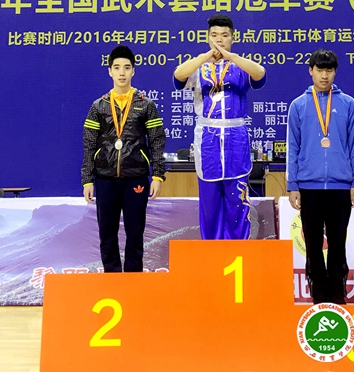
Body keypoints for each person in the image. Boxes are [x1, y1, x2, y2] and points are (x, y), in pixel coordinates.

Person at [173, 14, 266, 239]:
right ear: (208, 38)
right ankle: (211, 249)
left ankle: (239, 248)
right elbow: (178, 76)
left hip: (236, 138)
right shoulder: (199, 67)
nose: (219, 40)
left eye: (224, 35)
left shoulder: (240, 67)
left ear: (232, 38)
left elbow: (260, 74)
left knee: (237, 199)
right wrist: (206, 56)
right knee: (210, 201)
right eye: (214, 35)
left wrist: (231, 57)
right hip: (208, 139)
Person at [81, 45, 166, 272]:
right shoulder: (98, 106)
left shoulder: (146, 105)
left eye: (127, 68)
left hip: (136, 178)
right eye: (117, 68)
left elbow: (157, 141)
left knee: (135, 234)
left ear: (133, 71)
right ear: (109, 71)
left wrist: (158, 175)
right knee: (107, 234)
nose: (122, 73)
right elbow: (89, 145)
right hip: (105, 178)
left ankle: (133, 281)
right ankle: (112, 279)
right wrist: (87, 179)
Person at [286, 49, 354, 305]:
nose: (324, 75)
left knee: (338, 244)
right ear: (311, 71)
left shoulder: (348, 104)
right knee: (313, 244)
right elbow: (293, 146)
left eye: (329, 70)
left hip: (341, 186)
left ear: (335, 72)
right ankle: (318, 296)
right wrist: (293, 184)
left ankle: (338, 295)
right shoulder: (298, 105)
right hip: (309, 187)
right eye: (320, 69)